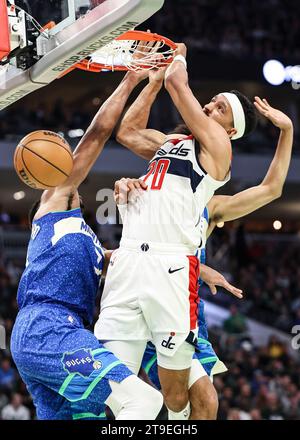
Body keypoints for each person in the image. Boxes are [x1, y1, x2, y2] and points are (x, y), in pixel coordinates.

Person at [107, 53, 293, 420]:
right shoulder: (172, 143)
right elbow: (127, 132)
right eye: (212, 100)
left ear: (230, 131)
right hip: (136, 264)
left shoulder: (217, 184)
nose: (209, 106)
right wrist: (153, 82)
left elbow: (271, 189)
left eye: (220, 108)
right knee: (119, 393)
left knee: (197, 401)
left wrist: (175, 59)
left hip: (173, 279)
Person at [10, 71, 164, 420]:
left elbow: (134, 259)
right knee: (144, 402)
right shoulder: (51, 208)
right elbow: (97, 134)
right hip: (47, 326)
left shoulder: (91, 245)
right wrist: (130, 80)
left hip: (62, 331)